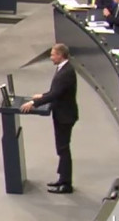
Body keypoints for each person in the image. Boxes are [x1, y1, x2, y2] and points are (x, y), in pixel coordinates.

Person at [20, 43, 78, 194]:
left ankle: (66, 184)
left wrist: (34, 102)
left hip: (65, 116)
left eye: (53, 54)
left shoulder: (66, 73)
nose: (51, 57)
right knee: (61, 148)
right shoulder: (63, 69)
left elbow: (56, 94)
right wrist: (43, 95)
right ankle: (62, 178)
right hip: (62, 113)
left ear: (60, 55)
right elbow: (55, 91)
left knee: (63, 149)